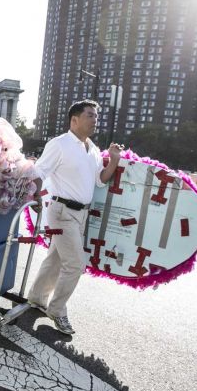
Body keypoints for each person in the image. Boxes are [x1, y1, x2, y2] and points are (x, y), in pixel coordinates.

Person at [27, 99, 123, 335]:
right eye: (90, 115)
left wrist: (115, 159)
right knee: (76, 264)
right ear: (75, 119)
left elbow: (101, 179)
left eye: (96, 116)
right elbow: (39, 171)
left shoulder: (92, 148)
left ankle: (37, 298)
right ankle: (57, 310)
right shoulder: (59, 144)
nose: (95, 120)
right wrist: (36, 197)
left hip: (81, 214)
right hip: (62, 212)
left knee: (56, 259)